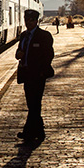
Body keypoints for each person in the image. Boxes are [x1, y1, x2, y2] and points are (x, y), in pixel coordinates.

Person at [15, 9, 54, 143]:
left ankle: (28, 132)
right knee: (32, 104)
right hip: (26, 74)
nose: (28, 23)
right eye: (26, 20)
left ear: (36, 21)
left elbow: (49, 54)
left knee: (34, 102)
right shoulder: (24, 36)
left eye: (31, 20)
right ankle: (39, 130)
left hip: (37, 75)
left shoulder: (44, 36)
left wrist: (42, 71)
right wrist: (18, 55)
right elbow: (18, 51)